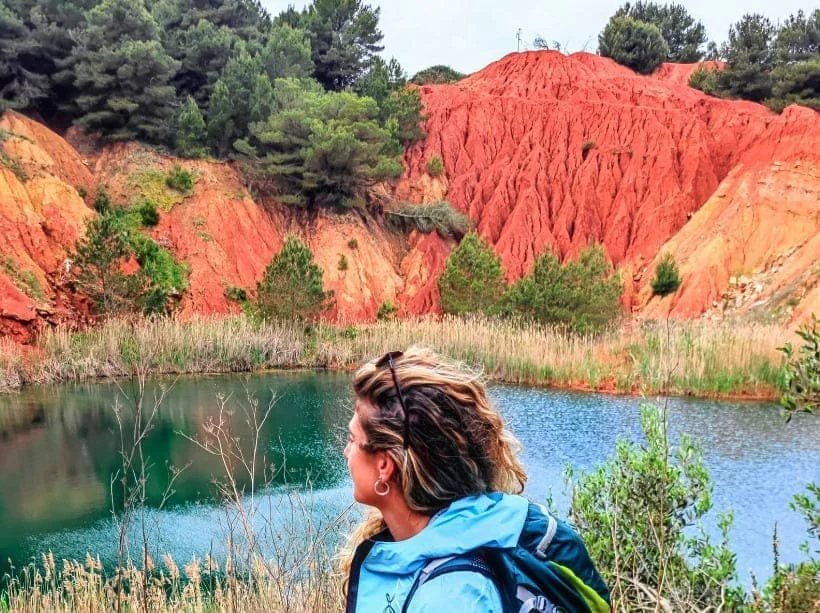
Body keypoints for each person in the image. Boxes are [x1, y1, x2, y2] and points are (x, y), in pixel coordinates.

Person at [342, 346, 608, 613]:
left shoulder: (452, 599)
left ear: (385, 466)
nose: (346, 452)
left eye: (353, 439)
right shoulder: (483, 525)